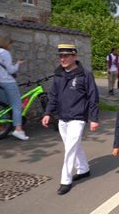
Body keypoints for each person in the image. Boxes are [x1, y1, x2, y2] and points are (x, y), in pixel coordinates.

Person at [42, 44, 100, 195]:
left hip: (77, 118)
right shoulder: (58, 74)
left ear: (74, 56)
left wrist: (94, 118)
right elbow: (53, 96)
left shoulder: (85, 75)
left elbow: (93, 97)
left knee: (69, 149)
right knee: (74, 145)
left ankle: (65, 180)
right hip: (62, 118)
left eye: (66, 56)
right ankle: (84, 169)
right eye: (61, 56)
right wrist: (48, 113)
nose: (63, 59)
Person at [0, 36, 27, 140]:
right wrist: (18, 64)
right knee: (17, 105)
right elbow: (11, 70)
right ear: (6, 44)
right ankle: (18, 130)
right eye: (10, 44)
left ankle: (4, 129)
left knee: (5, 106)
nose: (10, 46)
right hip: (7, 81)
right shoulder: (5, 53)